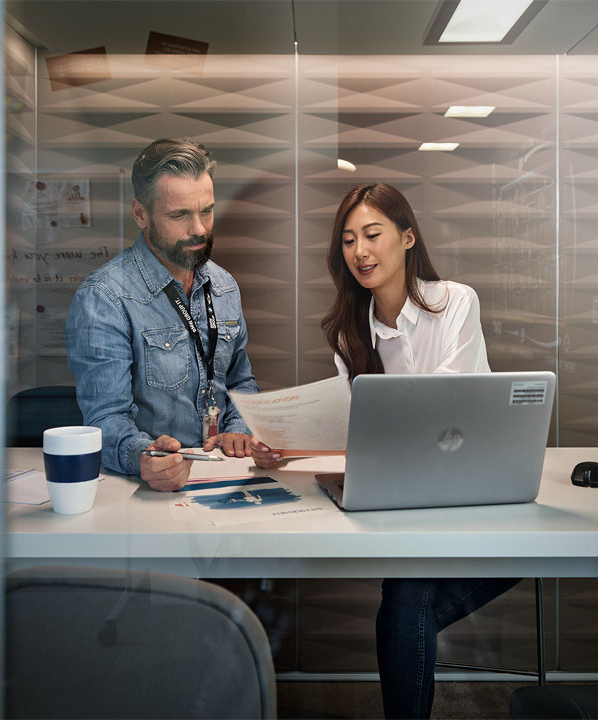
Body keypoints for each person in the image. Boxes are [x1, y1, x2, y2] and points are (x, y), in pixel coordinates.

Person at [251, 183, 519, 719]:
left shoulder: (454, 302)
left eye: (372, 235)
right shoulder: (351, 336)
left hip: (478, 493)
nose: (360, 252)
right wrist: (291, 446)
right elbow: (356, 433)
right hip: (405, 501)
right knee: (406, 593)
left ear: (407, 237)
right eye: (348, 241)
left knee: (404, 598)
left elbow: (445, 415)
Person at [66, 138, 258, 491]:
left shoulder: (225, 285)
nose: (199, 228)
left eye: (206, 211)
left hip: (223, 477)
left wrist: (238, 430)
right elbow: (104, 418)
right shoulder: (103, 298)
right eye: (180, 215)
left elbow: (240, 383)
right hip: (146, 487)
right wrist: (144, 456)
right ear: (141, 213)